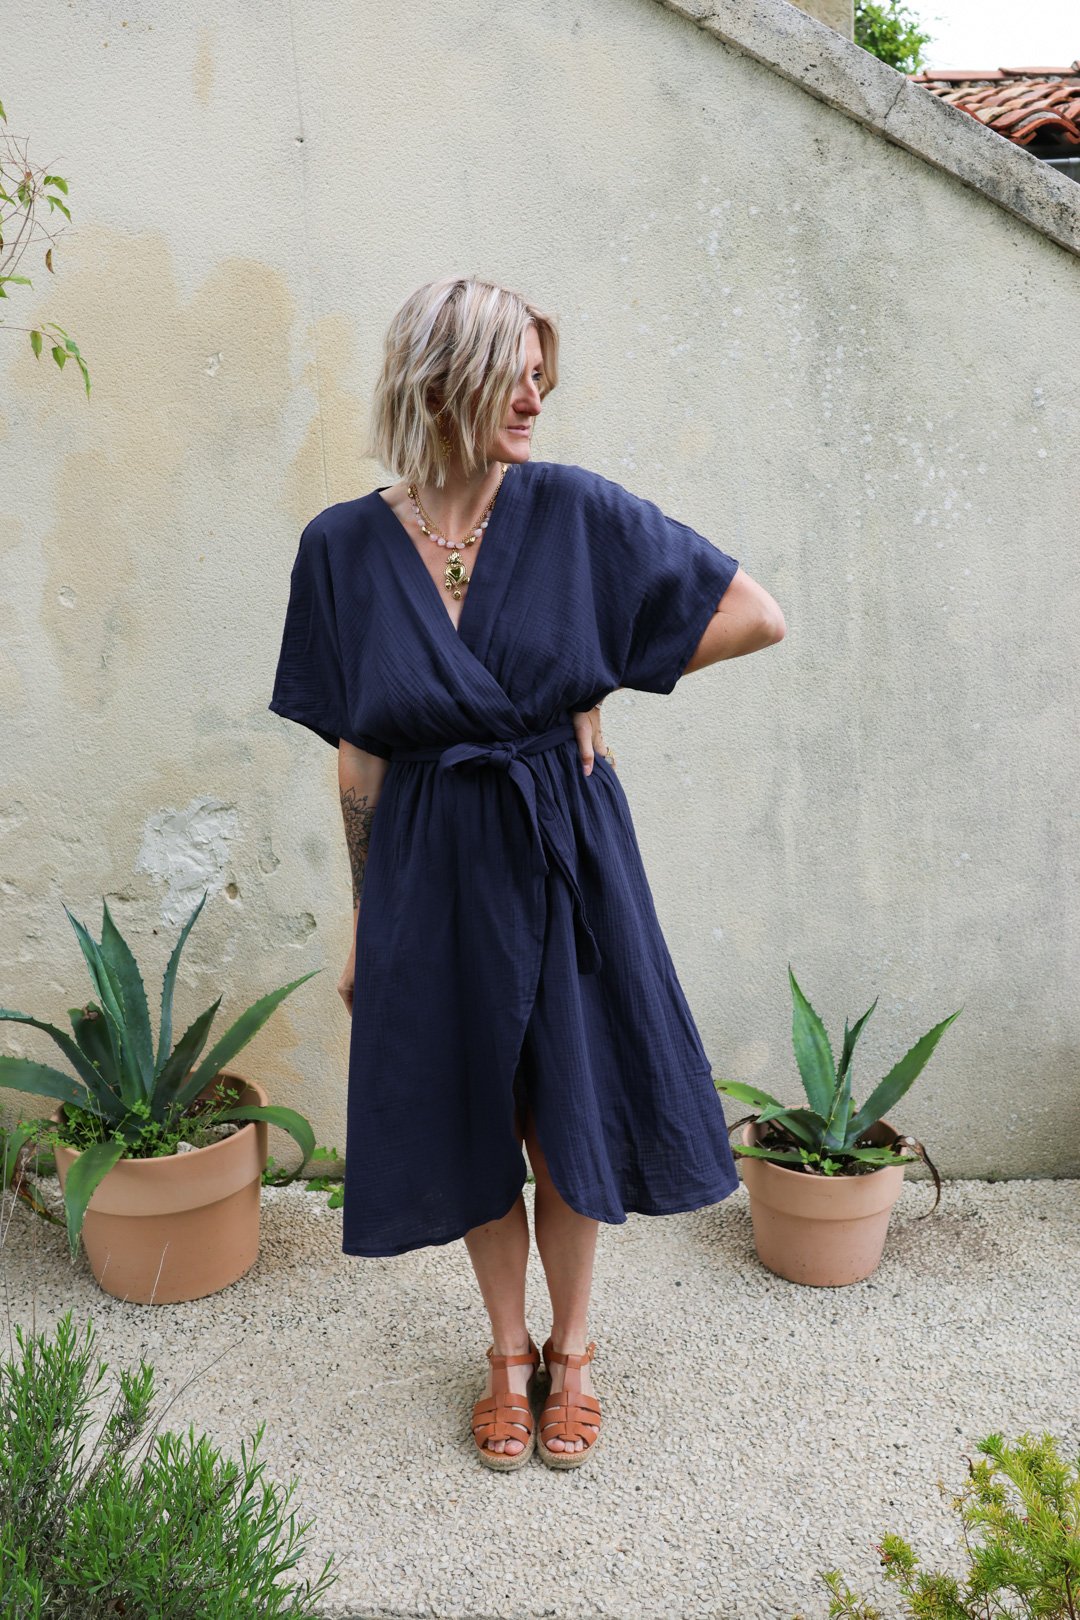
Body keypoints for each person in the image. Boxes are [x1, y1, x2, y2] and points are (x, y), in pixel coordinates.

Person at [268, 274, 785, 1472]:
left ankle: (576, 1348)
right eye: (513, 372)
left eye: (542, 376)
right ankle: (507, 1352)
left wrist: (599, 678)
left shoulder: (575, 512)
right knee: (473, 1114)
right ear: (439, 376)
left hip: (562, 850)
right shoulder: (341, 547)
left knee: (565, 1113)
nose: (535, 396)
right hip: (429, 862)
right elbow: (359, 756)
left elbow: (756, 614)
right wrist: (365, 922)